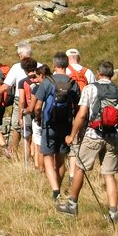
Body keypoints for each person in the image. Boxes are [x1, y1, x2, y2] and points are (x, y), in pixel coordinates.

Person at [59, 61, 118, 222]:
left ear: (98, 73)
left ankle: (72, 204)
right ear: (112, 74)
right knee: (109, 175)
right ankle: (113, 213)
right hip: (113, 137)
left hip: (93, 135)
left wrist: (72, 135)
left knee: (80, 168)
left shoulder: (90, 89)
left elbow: (82, 114)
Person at [31, 52, 82, 205]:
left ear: (54, 65)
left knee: (47, 157)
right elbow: (78, 106)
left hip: (49, 124)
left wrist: (39, 119)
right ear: (66, 65)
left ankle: (55, 191)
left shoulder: (48, 82)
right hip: (65, 125)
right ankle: (58, 186)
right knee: (61, 159)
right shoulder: (72, 83)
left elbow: (38, 106)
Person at [0, 44, 40, 162]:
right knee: (35, 126)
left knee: (16, 126)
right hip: (38, 99)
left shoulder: (17, 67)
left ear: (20, 55)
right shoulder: (40, 66)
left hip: (21, 100)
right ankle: (34, 155)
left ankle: (13, 152)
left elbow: (6, 86)